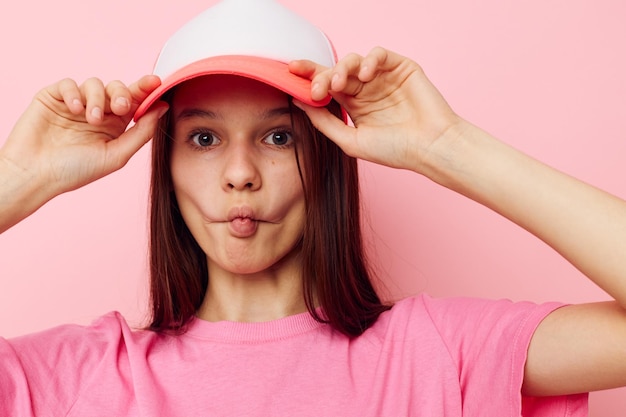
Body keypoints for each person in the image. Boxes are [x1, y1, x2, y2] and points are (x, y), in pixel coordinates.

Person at [0, 0, 624, 415]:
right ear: (165, 165)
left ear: (326, 156)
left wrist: (447, 147)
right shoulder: (70, 379)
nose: (241, 175)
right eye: (204, 138)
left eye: (279, 137)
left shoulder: (438, 352)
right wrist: (20, 179)